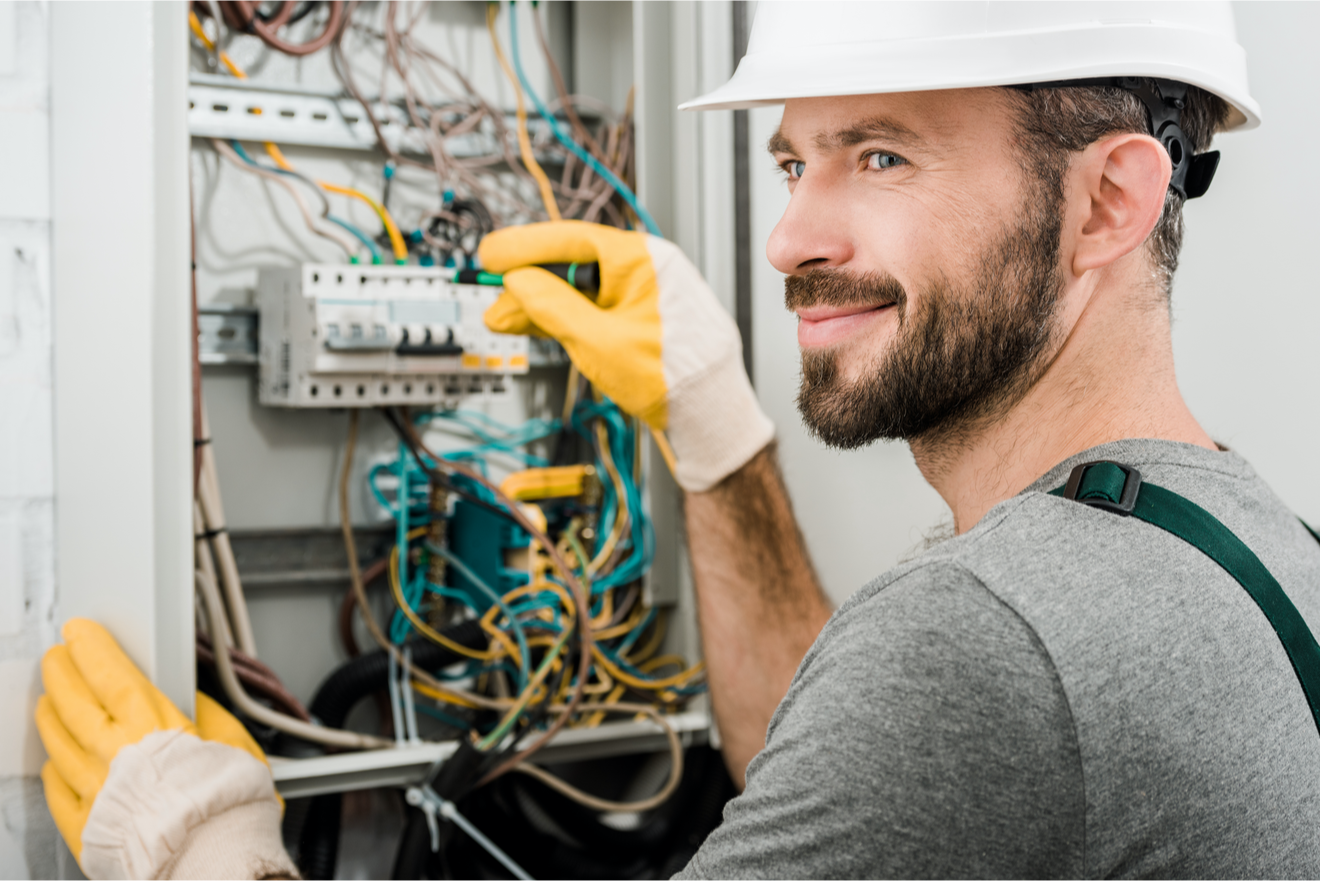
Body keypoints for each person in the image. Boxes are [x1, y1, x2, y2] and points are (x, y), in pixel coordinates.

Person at [36, 1, 1320, 878]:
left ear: (1109, 200)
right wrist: (717, 435)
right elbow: (812, 775)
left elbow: (924, 713)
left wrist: (210, 856)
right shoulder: (1240, 539)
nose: (791, 238)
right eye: (793, 162)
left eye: (881, 157)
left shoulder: (989, 641)